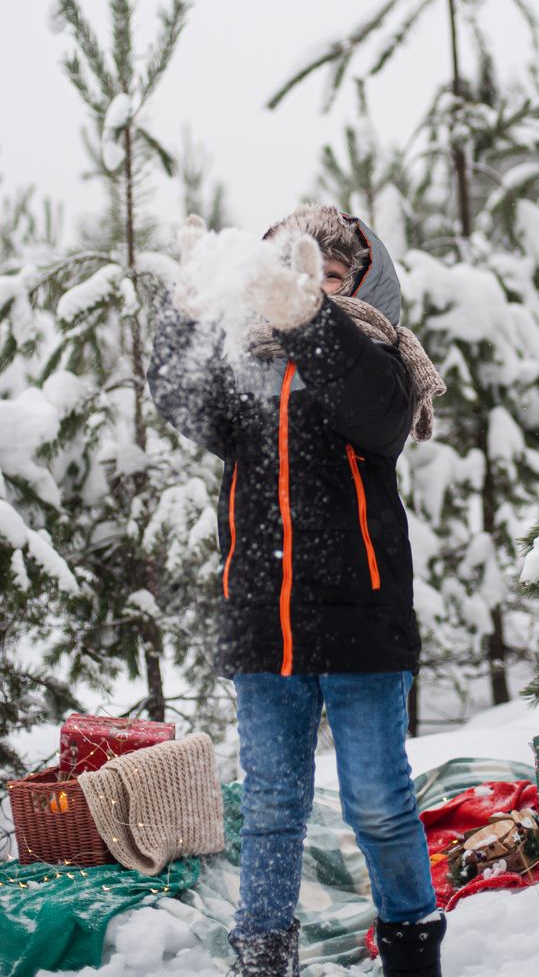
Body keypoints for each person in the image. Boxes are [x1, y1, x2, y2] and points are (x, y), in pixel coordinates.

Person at [147, 204, 447, 976]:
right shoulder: (244, 368)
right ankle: (262, 955)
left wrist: (312, 319)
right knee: (271, 809)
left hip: (360, 624)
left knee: (377, 804)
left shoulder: (380, 363)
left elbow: (369, 413)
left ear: (362, 283)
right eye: (295, 271)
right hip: (263, 625)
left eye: (331, 273)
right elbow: (180, 398)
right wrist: (185, 315)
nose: (313, 284)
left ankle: (411, 949)